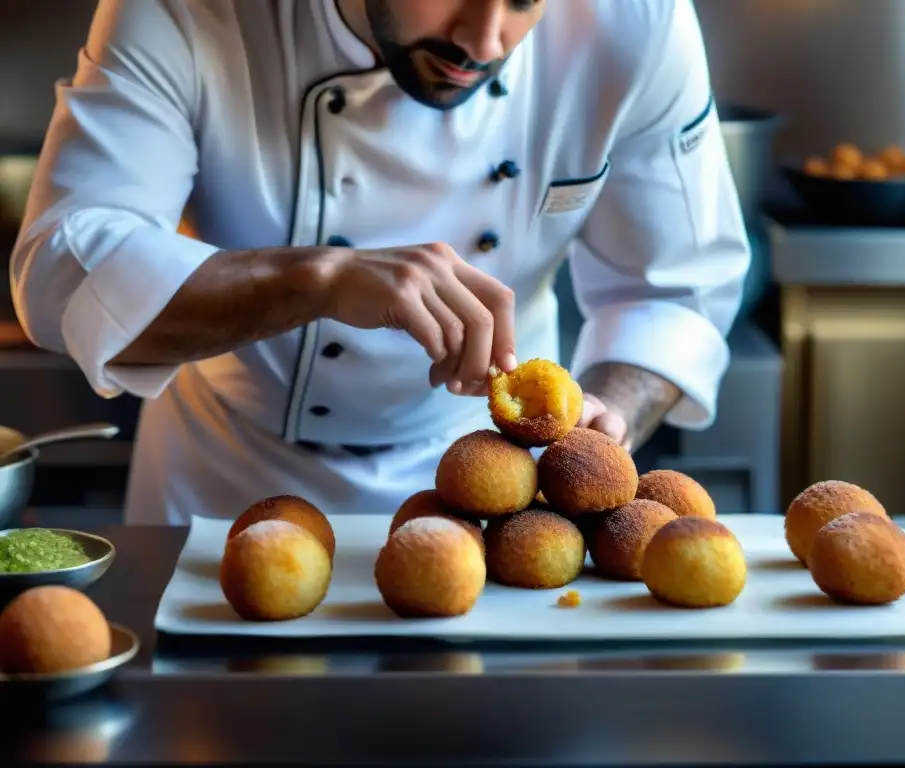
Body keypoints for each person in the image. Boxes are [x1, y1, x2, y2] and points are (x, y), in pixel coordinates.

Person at [11, 0, 750, 525]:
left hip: (493, 507)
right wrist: (317, 279)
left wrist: (605, 416)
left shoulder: (638, 21)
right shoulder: (192, 10)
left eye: (526, 1)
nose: (487, 38)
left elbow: (675, 290)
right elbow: (62, 266)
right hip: (226, 488)